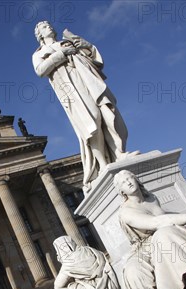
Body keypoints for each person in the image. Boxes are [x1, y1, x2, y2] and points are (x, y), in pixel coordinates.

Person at [32, 21, 130, 189]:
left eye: (49, 24)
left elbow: (95, 60)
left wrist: (86, 45)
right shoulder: (40, 53)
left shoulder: (67, 41)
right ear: (39, 35)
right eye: (44, 26)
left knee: (107, 113)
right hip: (71, 88)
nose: (49, 26)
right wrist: (61, 54)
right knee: (92, 120)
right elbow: (40, 70)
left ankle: (118, 153)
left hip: (89, 80)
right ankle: (103, 163)